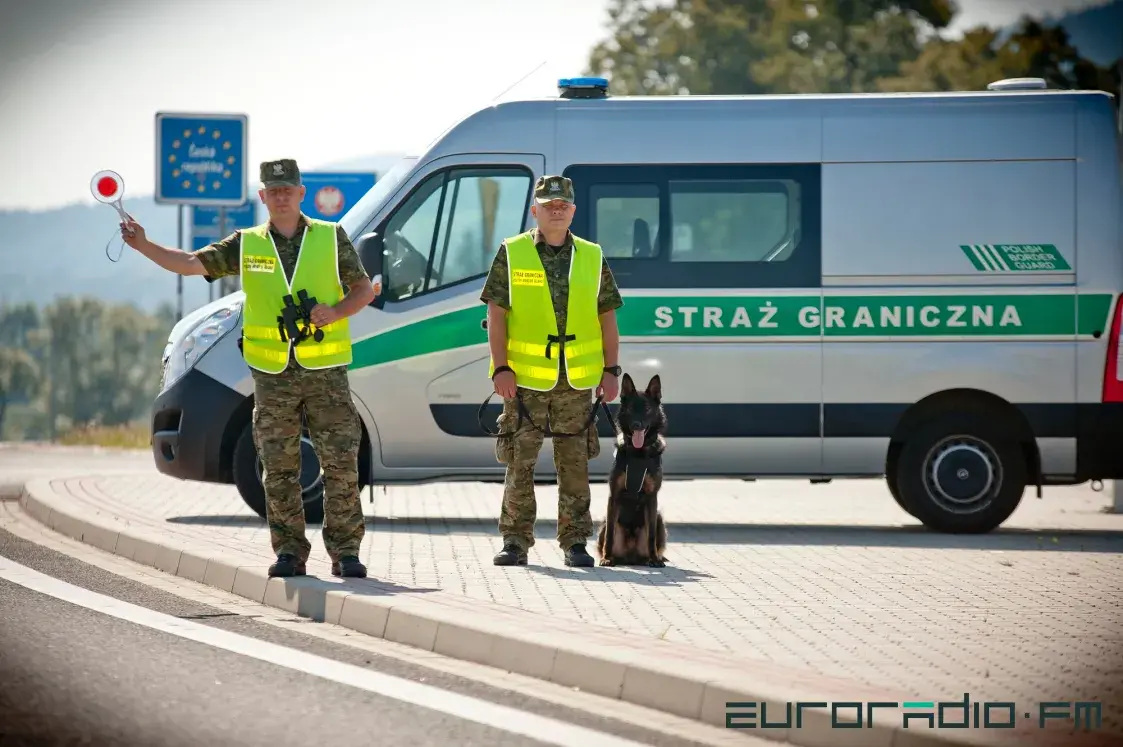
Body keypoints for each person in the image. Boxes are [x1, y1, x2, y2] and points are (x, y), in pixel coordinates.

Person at [119, 158, 376, 579]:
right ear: (262, 196)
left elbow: (363, 289)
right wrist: (144, 245)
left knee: (340, 462)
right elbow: (189, 263)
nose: (280, 196)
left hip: (325, 369)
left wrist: (336, 311)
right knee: (277, 465)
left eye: (287, 190)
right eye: (272, 191)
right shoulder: (249, 242)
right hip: (272, 372)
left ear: (300, 193)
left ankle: (346, 553)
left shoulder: (330, 238)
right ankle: (289, 552)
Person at [480, 174, 624, 567]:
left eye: (563, 205)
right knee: (519, 462)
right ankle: (514, 541)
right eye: (549, 205)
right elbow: (496, 314)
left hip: (576, 381)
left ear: (573, 211)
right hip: (524, 382)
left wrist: (611, 371)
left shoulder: (592, 256)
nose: (556, 210)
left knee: (574, 464)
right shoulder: (512, 252)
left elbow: (606, 317)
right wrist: (501, 368)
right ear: (535, 211)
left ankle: (575, 542)